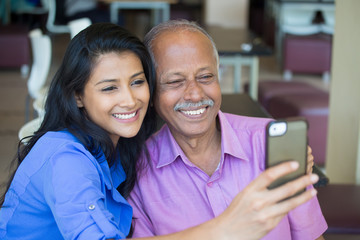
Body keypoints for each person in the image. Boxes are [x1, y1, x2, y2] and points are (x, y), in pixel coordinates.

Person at [0, 22, 318, 240]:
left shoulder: (121, 155)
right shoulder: (71, 160)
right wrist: (224, 228)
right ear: (78, 95)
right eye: (109, 87)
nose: (129, 99)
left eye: (137, 82)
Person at [128, 19, 327, 240]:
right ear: (150, 93)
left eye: (206, 77)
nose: (195, 94)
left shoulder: (269, 143)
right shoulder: (138, 169)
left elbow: (312, 236)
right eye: (175, 81)